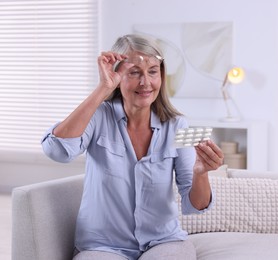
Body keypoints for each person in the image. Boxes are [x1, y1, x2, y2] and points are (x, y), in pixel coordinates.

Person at [41, 34, 224, 260]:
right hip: (102, 246)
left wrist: (201, 173)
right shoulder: (98, 117)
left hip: (163, 241)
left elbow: (195, 205)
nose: (145, 82)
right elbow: (57, 151)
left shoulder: (179, 126)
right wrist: (103, 89)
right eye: (134, 72)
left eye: (152, 72)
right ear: (117, 75)